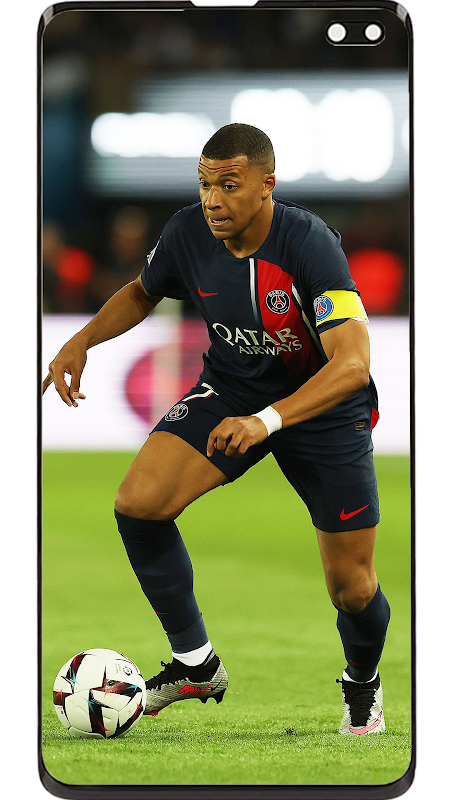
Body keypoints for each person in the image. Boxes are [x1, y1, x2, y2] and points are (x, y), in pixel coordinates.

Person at [43, 123, 390, 736]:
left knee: (352, 589)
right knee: (139, 505)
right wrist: (83, 340)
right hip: (231, 390)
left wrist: (266, 421)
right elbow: (142, 291)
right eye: (205, 184)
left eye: (229, 185)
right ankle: (196, 663)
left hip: (321, 409)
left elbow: (353, 364)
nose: (212, 199)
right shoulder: (187, 234)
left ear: (267, 185)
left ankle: (362, 682)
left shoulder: (308, 244)